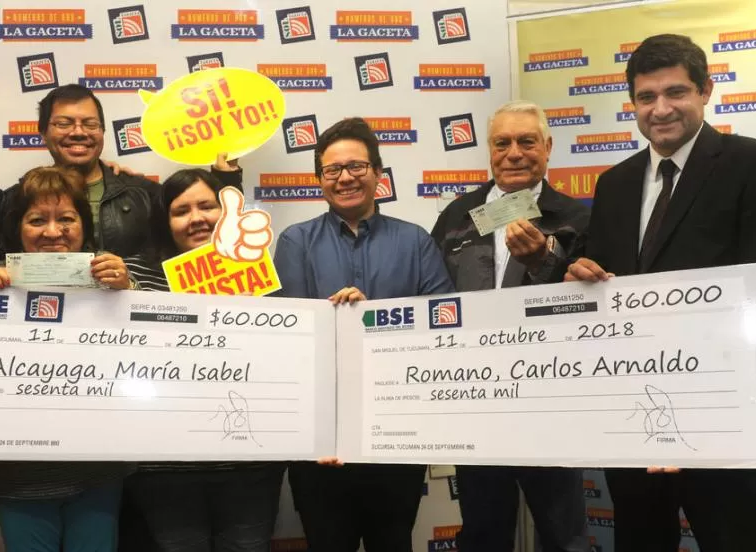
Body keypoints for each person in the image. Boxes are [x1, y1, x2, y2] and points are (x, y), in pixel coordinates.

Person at [562, 34, 756, 552]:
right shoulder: (614, 184)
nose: (661, 109)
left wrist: (689, 386)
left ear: (706, 91)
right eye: (646, 97)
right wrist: (580, 278)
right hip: (634, 411)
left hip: (725, 406)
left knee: (742, 539)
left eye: (676, 92)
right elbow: (608, 285)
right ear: (633, 104)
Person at [274, 117, 454, 552]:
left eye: (356, 166)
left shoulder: (415, 242)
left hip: (394, 436)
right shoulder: (295, 242)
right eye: (332, 170)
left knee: (392, 542)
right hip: (321, 444)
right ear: (319, 179)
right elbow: (289, 338)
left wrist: (373, 318)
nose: (345, 178)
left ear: (378, 173)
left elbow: (442, 324)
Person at [430, 100, 590, 552]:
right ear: (489, 150)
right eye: (503, 143)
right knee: (483, 532)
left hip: (551, 401)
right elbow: (430, 298)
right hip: (476, 399)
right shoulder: (456, 216)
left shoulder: (577, 218)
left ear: (548, 147)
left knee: (564, 534)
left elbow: (593, 308)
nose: (514, 153)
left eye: (527, 142)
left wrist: (547, 259)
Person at [118, 168, 285, 552]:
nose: (196, 218)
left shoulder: (254, 270)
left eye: (207, 206)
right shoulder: (134, 276)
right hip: (165, 470)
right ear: (165, 220)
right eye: (181, 210)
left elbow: (282, 357)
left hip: (249, 466)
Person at [0, 166, 134, 552]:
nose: (53, 231)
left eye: (66, 218)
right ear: (17, 227)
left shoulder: (113, 277)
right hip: (20, 473)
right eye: (37, 219)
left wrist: (129, 292)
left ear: (83, 223)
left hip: (98, 467)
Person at [32, 84, 243, 263]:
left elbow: (208, 238)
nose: (78, 132)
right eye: (64, 124)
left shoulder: (142, 192)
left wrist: (226, 178)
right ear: (43, 132)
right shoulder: (20, 197)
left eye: (90, 124)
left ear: (102, 131)